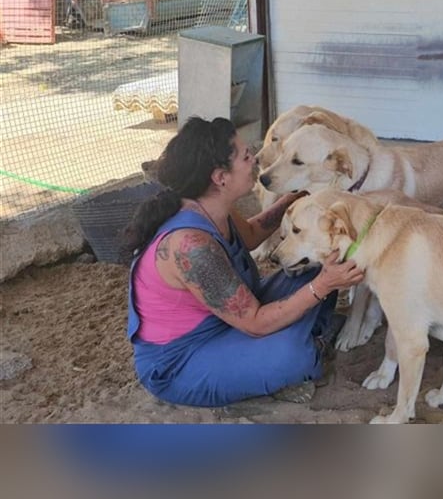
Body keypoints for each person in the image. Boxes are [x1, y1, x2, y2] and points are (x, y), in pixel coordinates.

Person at [123, 116, 364, 407]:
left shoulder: (212, 206)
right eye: (246, 156)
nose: (256, 160)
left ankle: (300, 336)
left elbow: (250, 235)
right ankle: (299, 346)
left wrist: (296, 198)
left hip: (228, 322)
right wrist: (323, 286)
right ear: (220, 177)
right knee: (291, 353)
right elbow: (255, 323)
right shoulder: (191, 247)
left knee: (312, 267)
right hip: (182, 362)